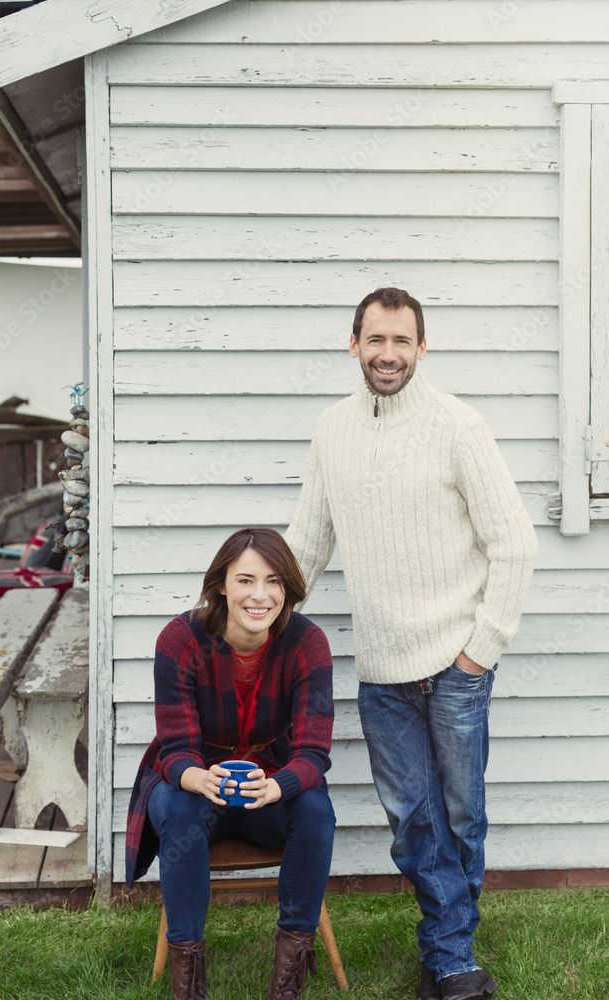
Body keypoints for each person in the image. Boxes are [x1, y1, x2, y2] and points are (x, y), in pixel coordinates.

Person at [285, 287, 538, 1000]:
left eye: (402, 341)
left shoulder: (458, 426)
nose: (388, 353)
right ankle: (452, 959)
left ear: (421, 347)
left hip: (458, 665)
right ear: (354, 345)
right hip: (382, 671)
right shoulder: (332, 431)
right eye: (376, 340)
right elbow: (307, 543)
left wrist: (479, 650)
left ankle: (447, 954)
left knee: (460, 819)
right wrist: (251, 612)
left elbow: (514, 544)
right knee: (411, 824)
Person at [125, 528, 336, 1000]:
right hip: (196, 786)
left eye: (273, 581)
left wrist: (278, 786)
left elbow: (313, 752)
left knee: (316, 811)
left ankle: (288, 982)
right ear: (221, 585)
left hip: (268, 788)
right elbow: (175, 746)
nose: (260, 595)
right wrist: (198, 778)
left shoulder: (307, 642)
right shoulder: (182, 638)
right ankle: (188, 985)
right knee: (180, 810)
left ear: (287, 588)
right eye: (245, 580)